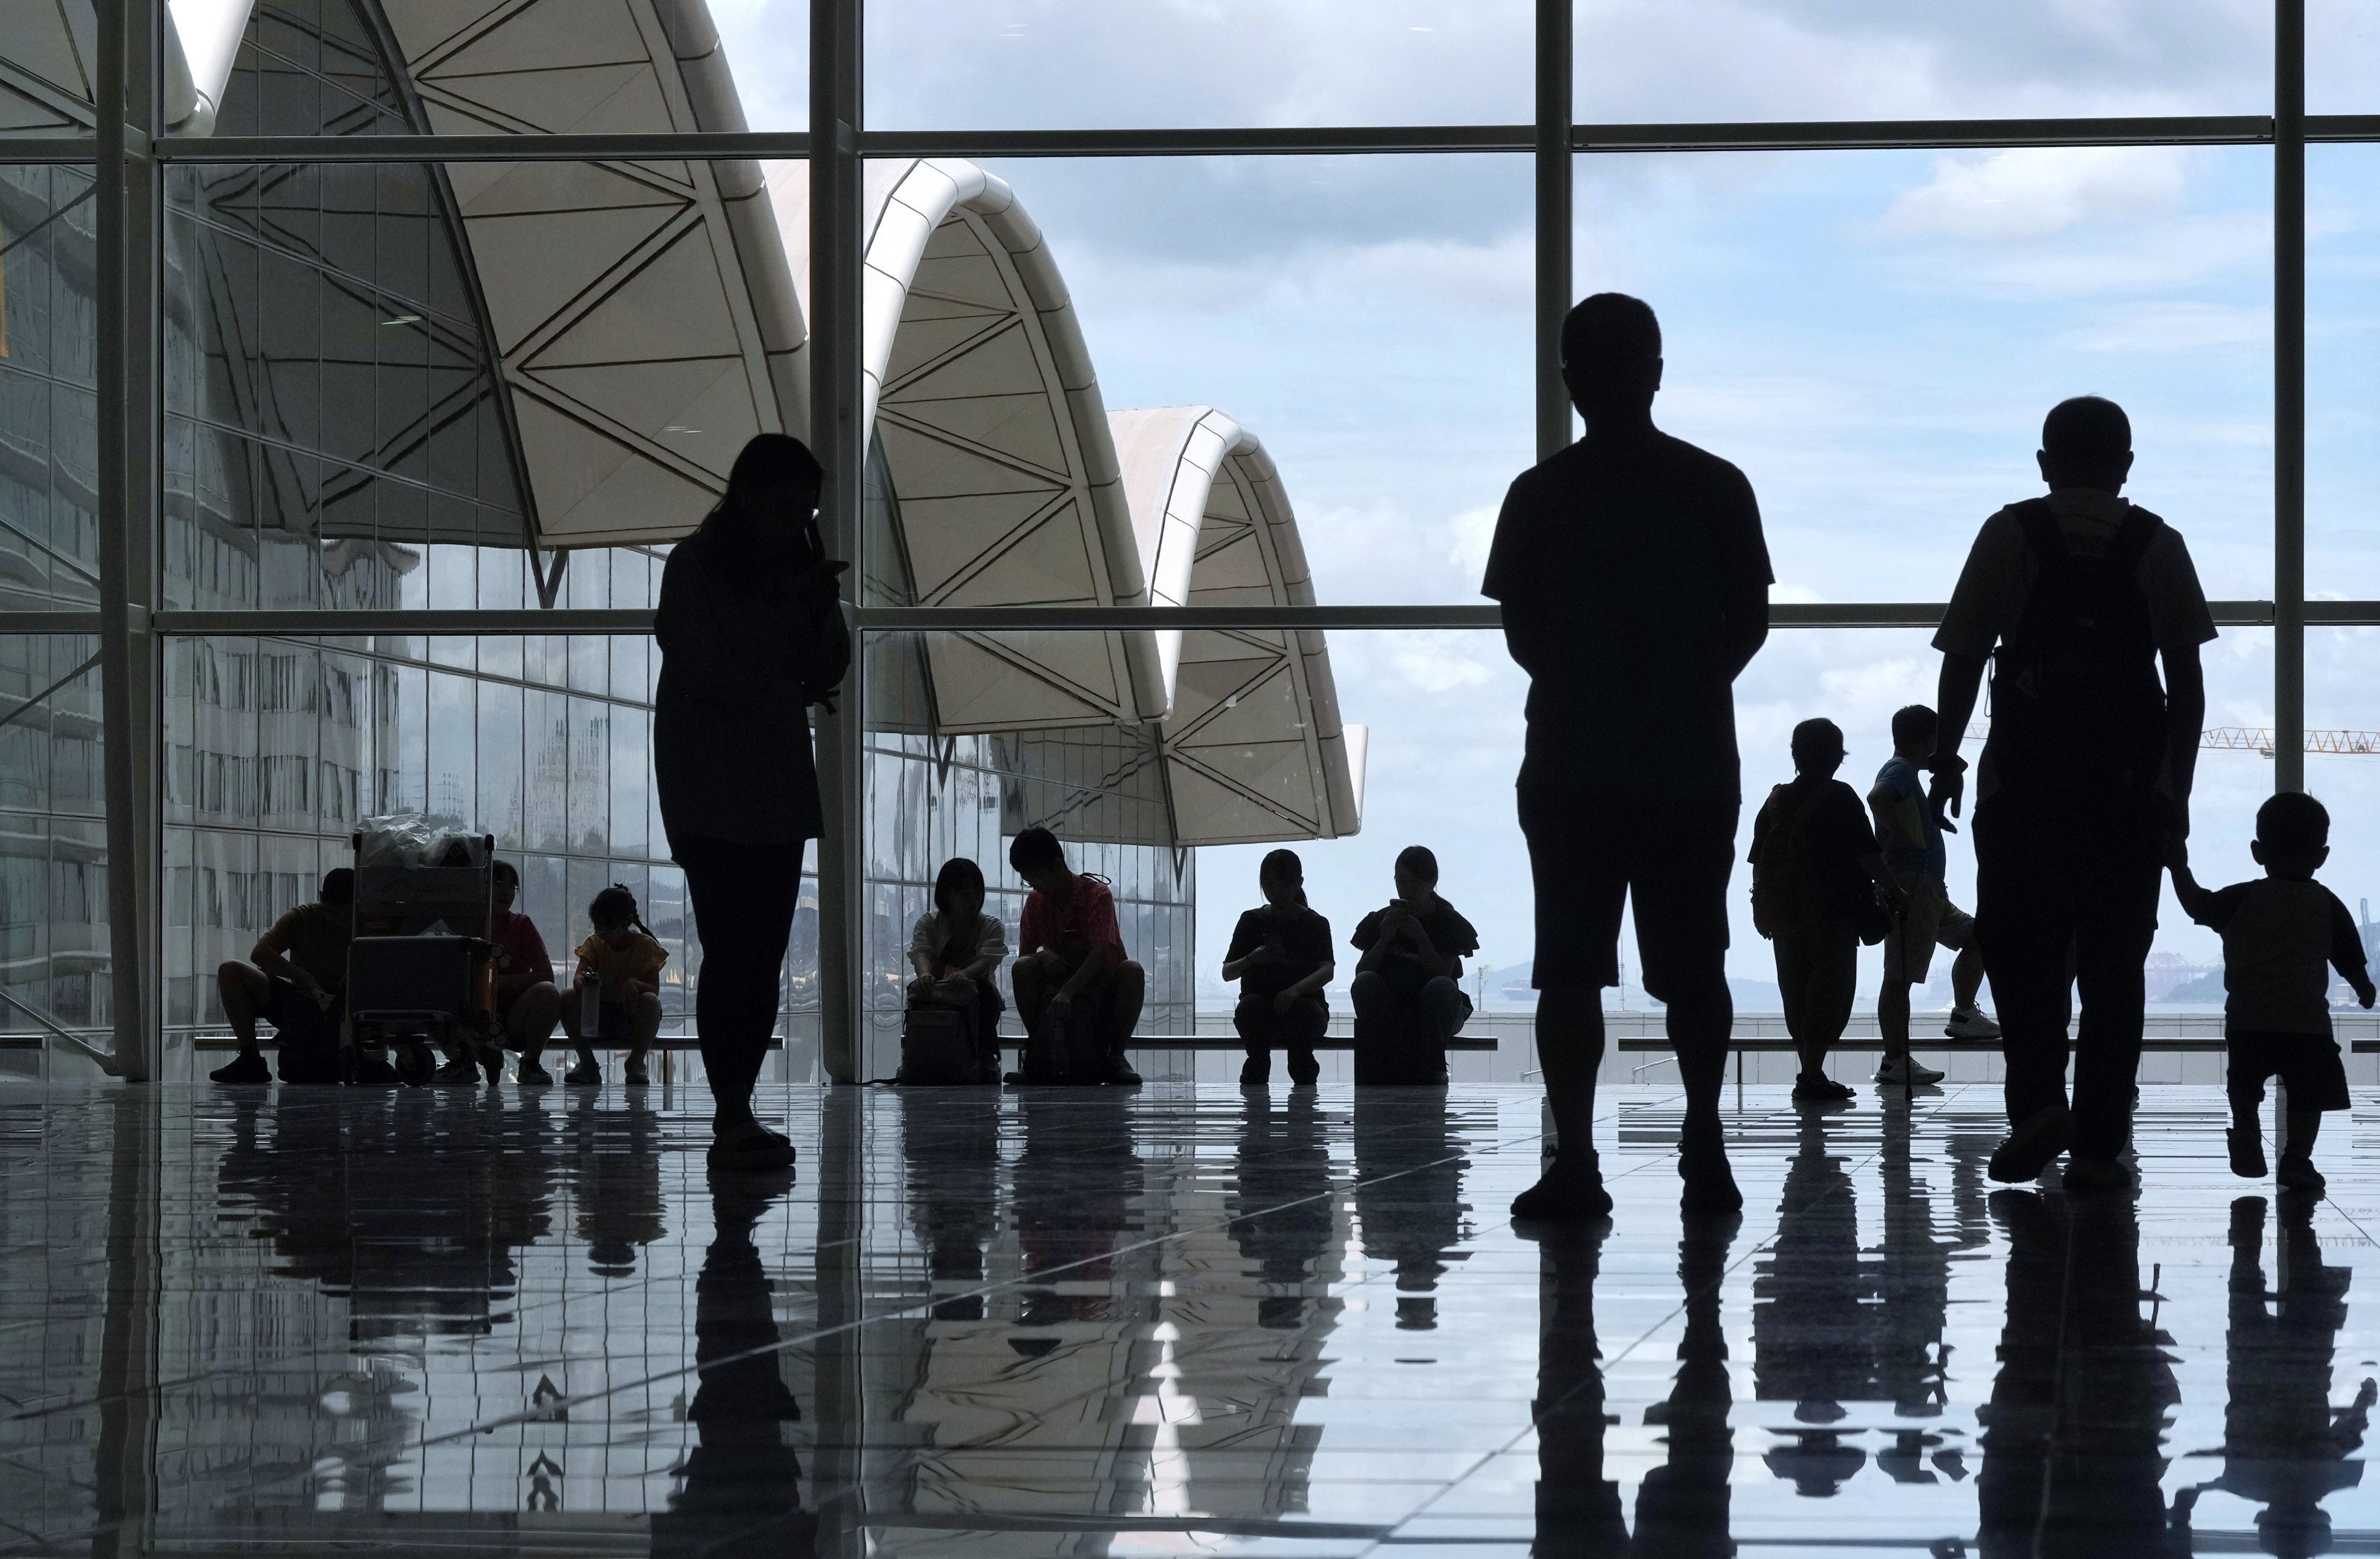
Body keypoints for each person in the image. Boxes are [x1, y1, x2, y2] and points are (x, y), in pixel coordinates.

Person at [1483, 292, 1772, 1220]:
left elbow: (1522, 632)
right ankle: (1702, 1138)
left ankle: (1576, 1158)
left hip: (1571, 761)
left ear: (1566, 380)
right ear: (1655, 372)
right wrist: (1682, 690)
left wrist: (1587, 688)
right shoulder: (1715, 485)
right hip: (1688, 762)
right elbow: (1748, 622)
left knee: (1568, 968)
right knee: (1694, 964)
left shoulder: (1538, 495)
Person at [1929, 395, 2213, 1192]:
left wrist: (1947, 759)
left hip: (2023, 793)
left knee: (2022, 958)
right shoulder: (2159, 544)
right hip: (2127, 799)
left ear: (2044, 463)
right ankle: (2098, 1141)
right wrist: (2176, 792)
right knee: (2115, 967)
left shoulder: (2008, 533)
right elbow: (2186, 688)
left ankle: (2036, 1110)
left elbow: (1962, 655)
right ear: (2126, 465)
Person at [655, 432, 849, 1171]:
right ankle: (731, 1108)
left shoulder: (788, 571)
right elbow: (710, 665)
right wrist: (788, 628)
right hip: (714, 780)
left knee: (761, 951)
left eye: (806, 510)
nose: (796, 521)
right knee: (733, 946)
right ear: (747, 497)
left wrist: (818, 609)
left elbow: (826, 665)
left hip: (768, 779)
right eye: (787, 505)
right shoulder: (697, 565)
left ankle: (737, 1108)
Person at [2168, 792, 2375, 1199]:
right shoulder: (2327, 903)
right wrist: (2365, 990)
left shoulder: (2241, 898)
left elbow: (2196, 904)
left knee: (2244, 1086)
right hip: (2307, 1025)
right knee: (2308, 1096)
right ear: (2322, 856)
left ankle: (2246, 1128)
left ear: (2257, 851)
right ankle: (2297, 1158)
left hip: (2248, 1021)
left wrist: (2178, 866)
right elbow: (2350, 959)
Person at [1749, 717, 1903, 1103]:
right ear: (1837, 756)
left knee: (1796, 994)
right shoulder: (1841, 797)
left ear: (1795, 755)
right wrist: (1895, 891)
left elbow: (1759, 861)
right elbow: (1867, 855)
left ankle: (1810, 1074)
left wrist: (1762, 907)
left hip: (1784, 915)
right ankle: (1812, 1076)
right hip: (1832, 912)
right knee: (1830, 994)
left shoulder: (1774, 802)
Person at [1868, 703, 1998, 1090]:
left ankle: (1963, 1015)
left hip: (1928, 889)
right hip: (1913, 887)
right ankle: (1895, 1061)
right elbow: (1877, 798)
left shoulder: (1905, 772)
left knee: (1980, 936)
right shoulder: (1899, 770)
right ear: (1930, 740)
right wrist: (1901, 837)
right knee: (1899, 976)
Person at [1009, 825, 1144, 1085]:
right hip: (1056, 983)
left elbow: (1100, 954)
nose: (1035, 886)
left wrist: (1067, 992)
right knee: (1023, 967)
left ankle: (1116, 1056)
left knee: (1133, 971)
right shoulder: (1036, 901)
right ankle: (1038, 1048)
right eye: (1029, 881)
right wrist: (1044, 956)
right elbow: (1025, 953)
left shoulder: (1097, 895)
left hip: (1101, 983)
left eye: (1037, 878)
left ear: (1057, 866)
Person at [211, 867, 355, 1084]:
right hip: (302, 1001)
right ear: (321, 898)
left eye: (347, 915)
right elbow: (260, 953)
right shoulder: (302, 917)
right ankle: (250, 1058)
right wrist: (305, 978)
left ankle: (378, 1059)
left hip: (350, 1005)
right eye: (333, 913)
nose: (340, 921)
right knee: (230, 971)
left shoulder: (368, 921)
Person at [1348, 845, 1479, 1085]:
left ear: (1432, 882)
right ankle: (1380, 1063)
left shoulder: (1448, 922)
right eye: (1401, 881)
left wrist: (1420, 936)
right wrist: (1384, 939)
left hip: (1439, 1007)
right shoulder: (1382, 920)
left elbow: (1442, 974)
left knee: (1440, 987)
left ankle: (1434, 1067)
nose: (1407, 889)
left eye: (1416, 883)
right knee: (1365, 982)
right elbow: (1362, 972)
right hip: (1393, 1002)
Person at [1223, 848, 1334, 1088]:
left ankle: (1261, 1085)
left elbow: (1327, 970)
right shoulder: (1251, 921)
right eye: (1269, 885)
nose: (1275, 892)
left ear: (1298, 884)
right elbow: (1228, 972)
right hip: (1274, 1005)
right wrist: (1252, 959)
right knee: (1254, 1010)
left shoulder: (1315, 924)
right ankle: (1297, 1087)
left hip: (1303, 1005)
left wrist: (1294, 991)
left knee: (1297, 1013)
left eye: (1283, 885)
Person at [557, 885, 667, 1087]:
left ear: (626, 922)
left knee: (650, 1001)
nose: (603, 934)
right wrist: (586, 983)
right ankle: (587, 1062)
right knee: (567, 996)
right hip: (597, 1018)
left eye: (609, 928)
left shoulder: (646, 945)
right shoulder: (594, 943)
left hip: (631, 1017)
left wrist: (636, 985)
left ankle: (636, 1061)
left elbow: (654, 989)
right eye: (598, 928)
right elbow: (577, 979)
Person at [906, 856, 1010, 1057]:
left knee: (984, 996)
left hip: (978, 996)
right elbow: (921, 952)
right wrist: (925, 976)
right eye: (965, 894)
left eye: (977, 894)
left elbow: (987, 961)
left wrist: (965, 974)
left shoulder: (992, 926)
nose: (973, 901)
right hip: (938, 994)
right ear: (947, 895)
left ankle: (984, 1057)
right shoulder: (929, 922)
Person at [486, 860, 564, 1084]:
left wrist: (499, 984)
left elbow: (546, 975)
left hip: (513, 1019)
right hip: (469, 1015)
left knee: (548, 992)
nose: (507, 892)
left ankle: (530, 1063)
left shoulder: (521, 925)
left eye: (512, 887)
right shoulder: (467, 921)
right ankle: (461, 1062)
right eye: (499, 883)